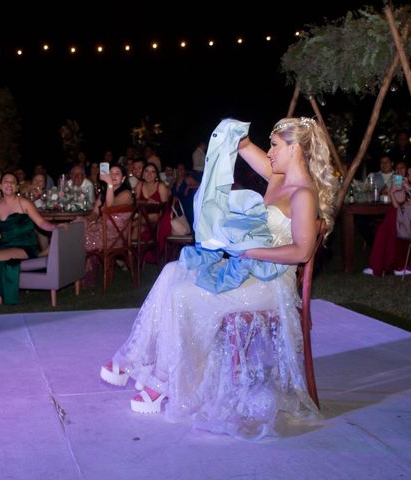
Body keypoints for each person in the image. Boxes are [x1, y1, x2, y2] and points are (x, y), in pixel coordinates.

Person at [99, 117, 337, 439]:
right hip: (250, 271)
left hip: (271, 285)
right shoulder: (276, 178)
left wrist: (250, 252)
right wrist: (228, 129)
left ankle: (163, 382)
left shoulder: (303, 194)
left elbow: (301, 252)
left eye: (276, 145)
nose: (269, 152)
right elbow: (241, 145)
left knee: (185, 295)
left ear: (294, 148)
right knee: (173, 272)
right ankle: (134, 359)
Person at [0, 172, 63, 304]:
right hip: (6, 245)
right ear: (0, 185)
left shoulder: (24, 203)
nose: (9, 184)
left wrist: (56, 227)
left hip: (25, 246)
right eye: (5, 181)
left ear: (17, 187)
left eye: (12, 182)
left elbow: (41, 223)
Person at [363, 166, 411, 276]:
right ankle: (388, 266)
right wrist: (392, 193)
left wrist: (410, 188)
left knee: (391, 218)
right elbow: (399, 207)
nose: (410, 177)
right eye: (409, 175)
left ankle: (383, 265)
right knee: (391, 218)